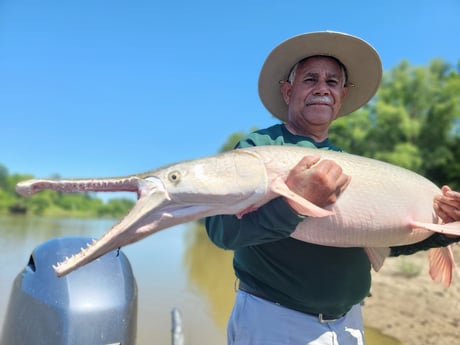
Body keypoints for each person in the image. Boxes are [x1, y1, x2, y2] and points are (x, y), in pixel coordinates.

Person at [205, 31, 460, 345]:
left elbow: (380, 242)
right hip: (274, 321)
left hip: (350, 324)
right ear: (287, 91)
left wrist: (443, 230)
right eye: (310, 79)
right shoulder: (259, 148)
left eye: (333, 81)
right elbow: (221, 231)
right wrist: (294, 204)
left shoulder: (349, 162)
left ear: (342, 94)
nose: (322, 89)